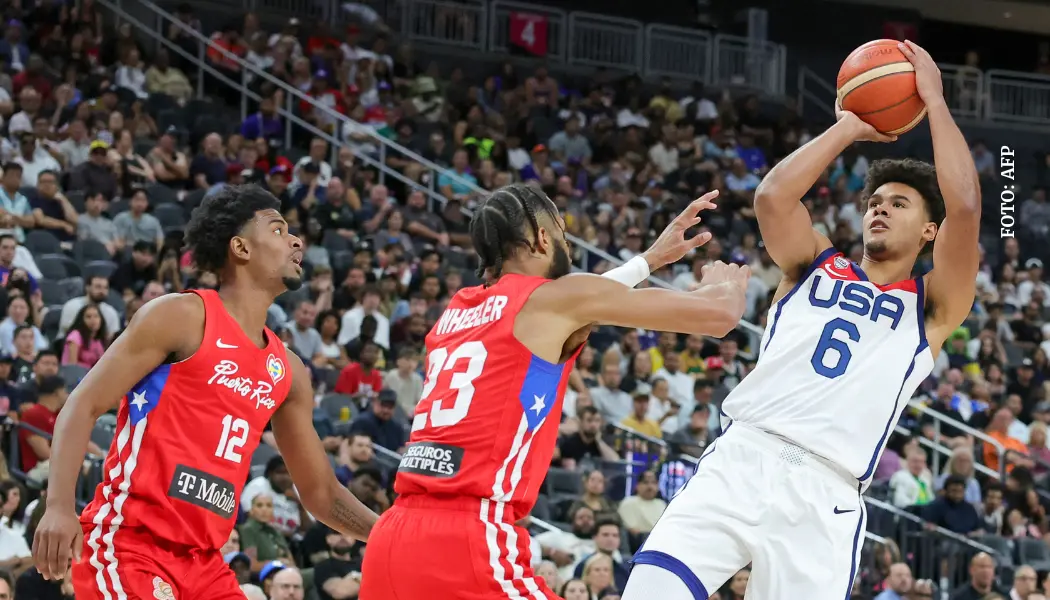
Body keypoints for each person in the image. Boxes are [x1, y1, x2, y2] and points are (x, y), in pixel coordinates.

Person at [623, 41, 981, 600]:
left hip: (826, 493)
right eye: (874, 201)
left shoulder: (933, 305)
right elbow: (772, 198)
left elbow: (965, 207)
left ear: (929, 233)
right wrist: (847, 129)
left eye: (900, 204)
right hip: (743, 456)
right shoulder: (816, 261)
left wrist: (933, 99)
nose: (880, 208)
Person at [359, 183, 750, 599]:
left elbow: (573, 304)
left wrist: (648, 260)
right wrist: (726, 284)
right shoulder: (552, 301)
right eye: (562, 233)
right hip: (470, 533)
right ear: (543, 238)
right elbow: (720, 318)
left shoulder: (458, 309)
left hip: (393, 536)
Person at [31, 185, 380, 598]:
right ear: (241, 248)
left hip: (206, 564)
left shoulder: (289, 370)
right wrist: (57, 506)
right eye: (278, 229)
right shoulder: (181, 316)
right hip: (130, 546)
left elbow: (322, 494)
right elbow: (83, 404)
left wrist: (390, 536)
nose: (296, 240)